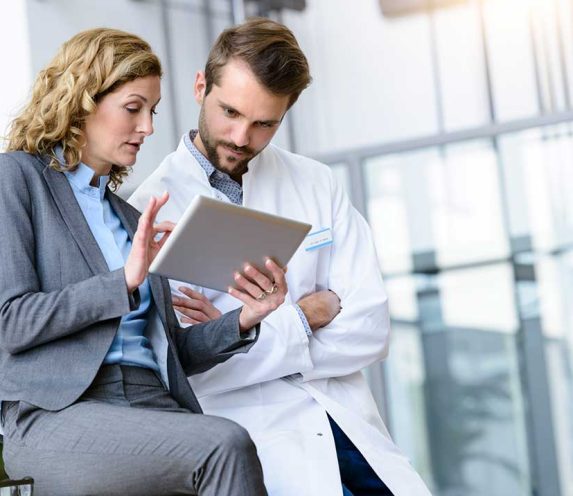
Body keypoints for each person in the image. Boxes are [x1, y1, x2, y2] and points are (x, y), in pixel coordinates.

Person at [130, 18, 432, 496]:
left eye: (264, 123)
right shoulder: (146, 211)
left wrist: (239, 334)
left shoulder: (316, 183)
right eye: (229, 111)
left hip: (350, 429)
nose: (240, 136)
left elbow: (371, 329)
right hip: (263, 449)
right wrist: (308, 313)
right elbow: (187, 371)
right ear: (200, 86)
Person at [0, 27, 289, 496]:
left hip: (153, 403)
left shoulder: (130, 216)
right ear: (82, 100)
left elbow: (170, 352)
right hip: (58, 415)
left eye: (151, 112)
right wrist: (123, 281)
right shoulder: (16, 179)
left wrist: (244, 319)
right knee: (224, 445)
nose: (148, 128)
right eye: (133, 108)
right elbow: (9, 322)